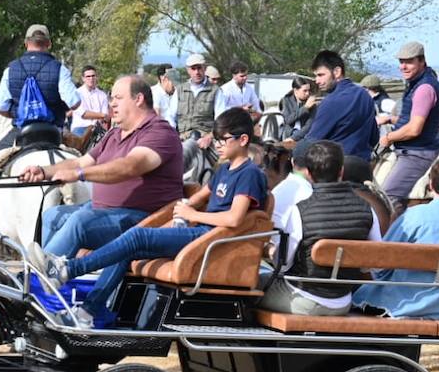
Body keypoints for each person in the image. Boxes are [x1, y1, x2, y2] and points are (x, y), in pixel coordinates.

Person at [27, 108, 268, 327]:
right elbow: (199, 196)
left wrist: (193, 214)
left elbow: (236, 219)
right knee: (127, 248)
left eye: (223, 140)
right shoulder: (224, 170)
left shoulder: (249, 174)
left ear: (243, 140)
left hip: (212, 241)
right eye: (215, 139)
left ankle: (68, 270)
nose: (217, 145)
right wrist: (182, 209)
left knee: (137, 236)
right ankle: (88, 313)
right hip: (199, 235)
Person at [20, 75, 184, 258]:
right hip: (103, 211)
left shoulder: (160, 132)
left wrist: (79, 174)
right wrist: (43, 171)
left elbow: (130, 167)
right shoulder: (114, 134)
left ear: (138, 99)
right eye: (111, 98)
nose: (112, 104)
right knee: (52, 215)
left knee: (80, 222)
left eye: (118, 98)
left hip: (143, 219)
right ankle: (46, 272)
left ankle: (38, 276)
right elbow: (79, 161)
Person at [353, 154, 439, 319]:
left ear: (430, 184)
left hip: (391, 307)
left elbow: (382, 263)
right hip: (438, 311)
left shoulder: (413, 217)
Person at [262, 140, 382, 316]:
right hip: (343, 301)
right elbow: (373, 262)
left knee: (251, 284)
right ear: (341, 170)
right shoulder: (367, 209)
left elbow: (284, 264)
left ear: (308, 173)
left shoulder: (300, 210)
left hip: (303, 300)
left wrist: (268, 249)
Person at [0, 24, 81, 226]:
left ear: (26, 44)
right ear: (49, 44)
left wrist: (18, 112)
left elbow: (0, 107)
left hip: (22, 133)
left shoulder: (12, 69)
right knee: (84, 162)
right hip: (53, 133)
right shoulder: (59, 69)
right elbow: (75, 102)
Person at [379, 41, 439, 211]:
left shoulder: (424, 88)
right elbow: (409, 118)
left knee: (387, 197)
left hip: (417, 153)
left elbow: (414, 128)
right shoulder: (416, 83)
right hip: (411, 149)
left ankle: (396, 236)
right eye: (401, 62)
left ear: (422, 61)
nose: (403, 66)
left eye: (409, 61)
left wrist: (388, 137)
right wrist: (390, 120)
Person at [299, 49, 377, 183]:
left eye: (321, 75)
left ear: (337, 72)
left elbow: (310, 143)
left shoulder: (331, 102)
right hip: (364, 170)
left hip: (336, 174)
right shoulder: (365, 96)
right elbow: (374, 137)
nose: (317, 80)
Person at [174, 52, 218, 179]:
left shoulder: (215, 91)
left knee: (226, 166)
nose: (197, 72)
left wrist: (209, 137)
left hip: (206, 140)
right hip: (182, 138)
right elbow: (170, 119)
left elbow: (222, 120)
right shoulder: (179, 90)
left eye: (199, 68)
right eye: (193, 69)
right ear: (188, 70)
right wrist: (172, 137)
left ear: (205, 68)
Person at [69, 64, 109, 133]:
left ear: (96, 77)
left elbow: (106, 118)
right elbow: (84, 114)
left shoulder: (102, 95)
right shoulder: (77, 93)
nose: (91, 78)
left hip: (96, 129)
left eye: (93, 76)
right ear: (83, 78)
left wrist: (103, 116)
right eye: (88, 76)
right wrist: (102, 115)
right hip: (80, 128)